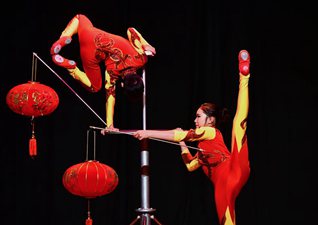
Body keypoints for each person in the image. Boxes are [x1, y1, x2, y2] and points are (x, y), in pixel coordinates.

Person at [133, 50, 251, 225]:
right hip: (222, 186)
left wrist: (147, 133)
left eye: (198, 116)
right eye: (195, 117)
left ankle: (244, 76)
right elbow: (190, 165)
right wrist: (182, 144)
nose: (195, 120)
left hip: (234, 169)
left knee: (239, 126)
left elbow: (179, 134)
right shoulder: (202, 150)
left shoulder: (211, 132)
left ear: (210, 120)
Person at [50, 14, 156, 131]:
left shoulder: (141, 58)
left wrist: (146, 44)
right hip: (90, 52)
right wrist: (109, 124)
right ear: (122, 85)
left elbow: (130, 30)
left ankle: (63, 38)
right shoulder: (112, 74)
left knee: (80, 18)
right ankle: (71, 67)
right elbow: (110, 97)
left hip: (90, 33)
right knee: (94, 87)